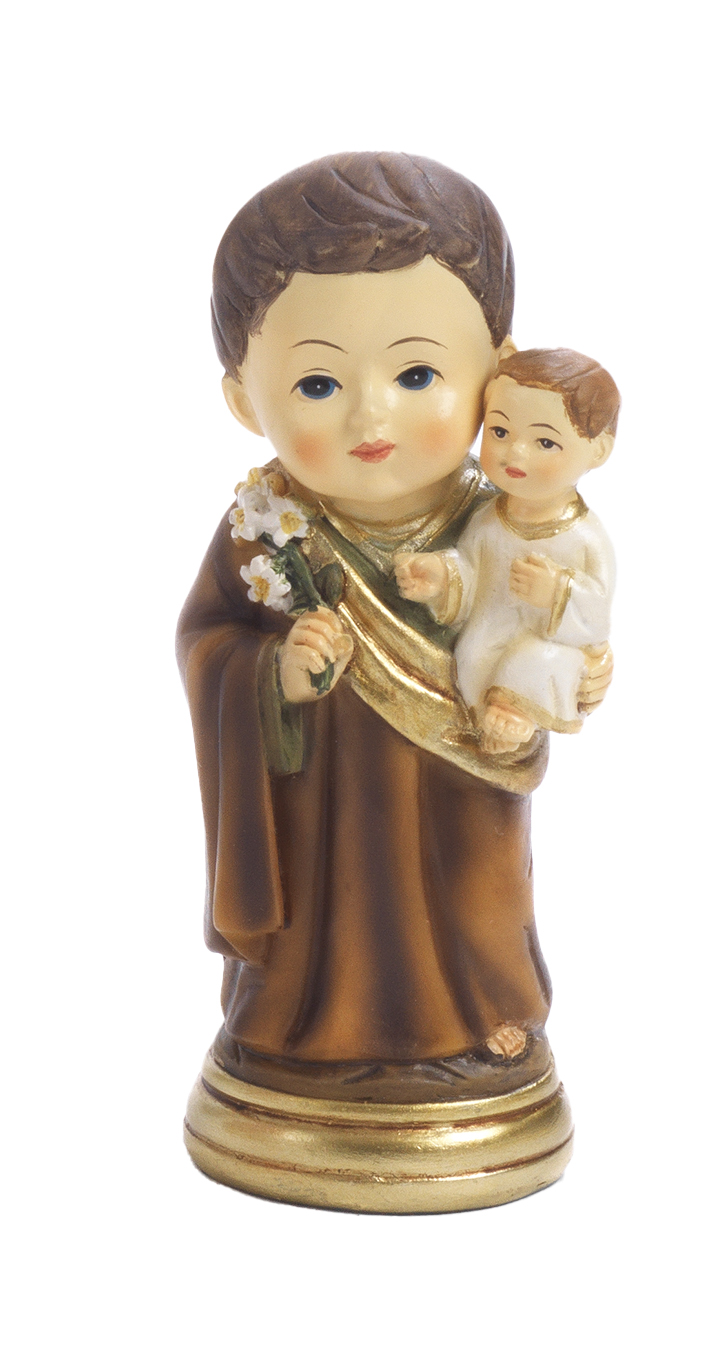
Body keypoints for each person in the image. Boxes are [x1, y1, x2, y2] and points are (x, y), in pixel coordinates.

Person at [177, 153, 612, 1096]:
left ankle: (484, 1015)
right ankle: (302, 1027)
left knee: (472, 886)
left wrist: (576, 665)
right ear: (244, 399)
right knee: (325, 899)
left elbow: (566, 615)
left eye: (417, 372)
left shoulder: (501, 521)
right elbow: (207, 641)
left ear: (493, 371)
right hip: (318, 790)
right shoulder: (265, 525)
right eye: (318, 385)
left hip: (461, 777)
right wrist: (272, 672)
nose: (372, 416)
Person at [395, 349, 618, 753]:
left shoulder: (585, 538)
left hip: (547, 657)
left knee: (535, 659)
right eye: (499, 432)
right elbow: (471, 572)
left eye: (545, 442)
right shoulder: (486, 520)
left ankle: (516, 717)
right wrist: (442, 577)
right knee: (473, 656)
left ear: (598, 450)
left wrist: (557, 592)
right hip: (488, 640)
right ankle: (487, 723)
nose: (515, 453)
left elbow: (598, 617)